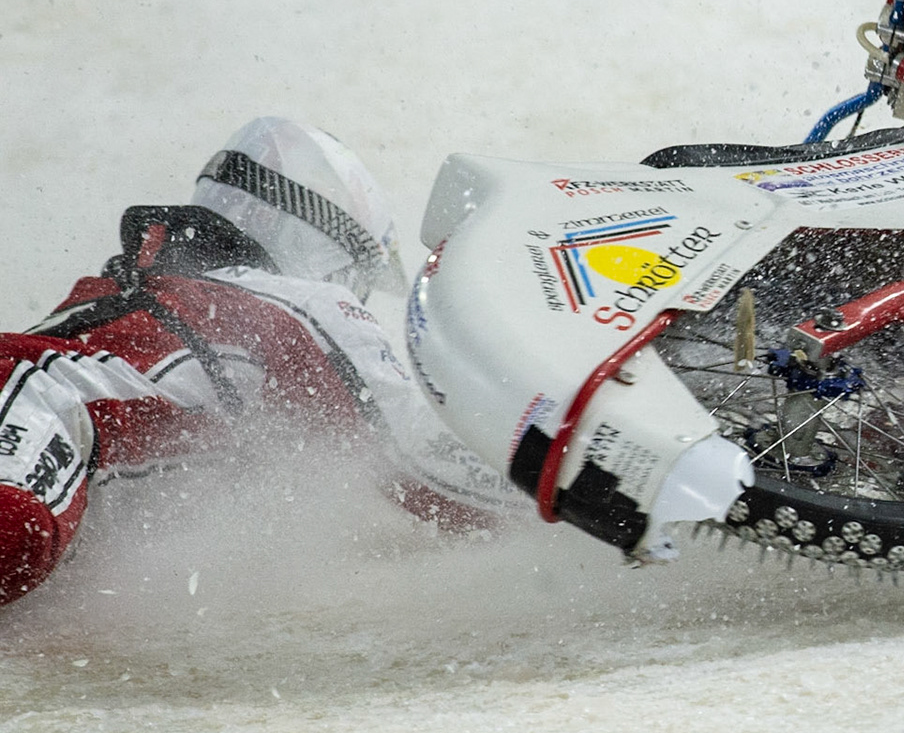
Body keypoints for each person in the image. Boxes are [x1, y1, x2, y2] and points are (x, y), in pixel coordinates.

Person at [0, 118, 522, 606]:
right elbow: (423, 463)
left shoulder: (129, 295)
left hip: (34, 405)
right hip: (40, 408)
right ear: (325, 242)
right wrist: (555, 497)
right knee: (14, 532)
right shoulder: (301, 303)